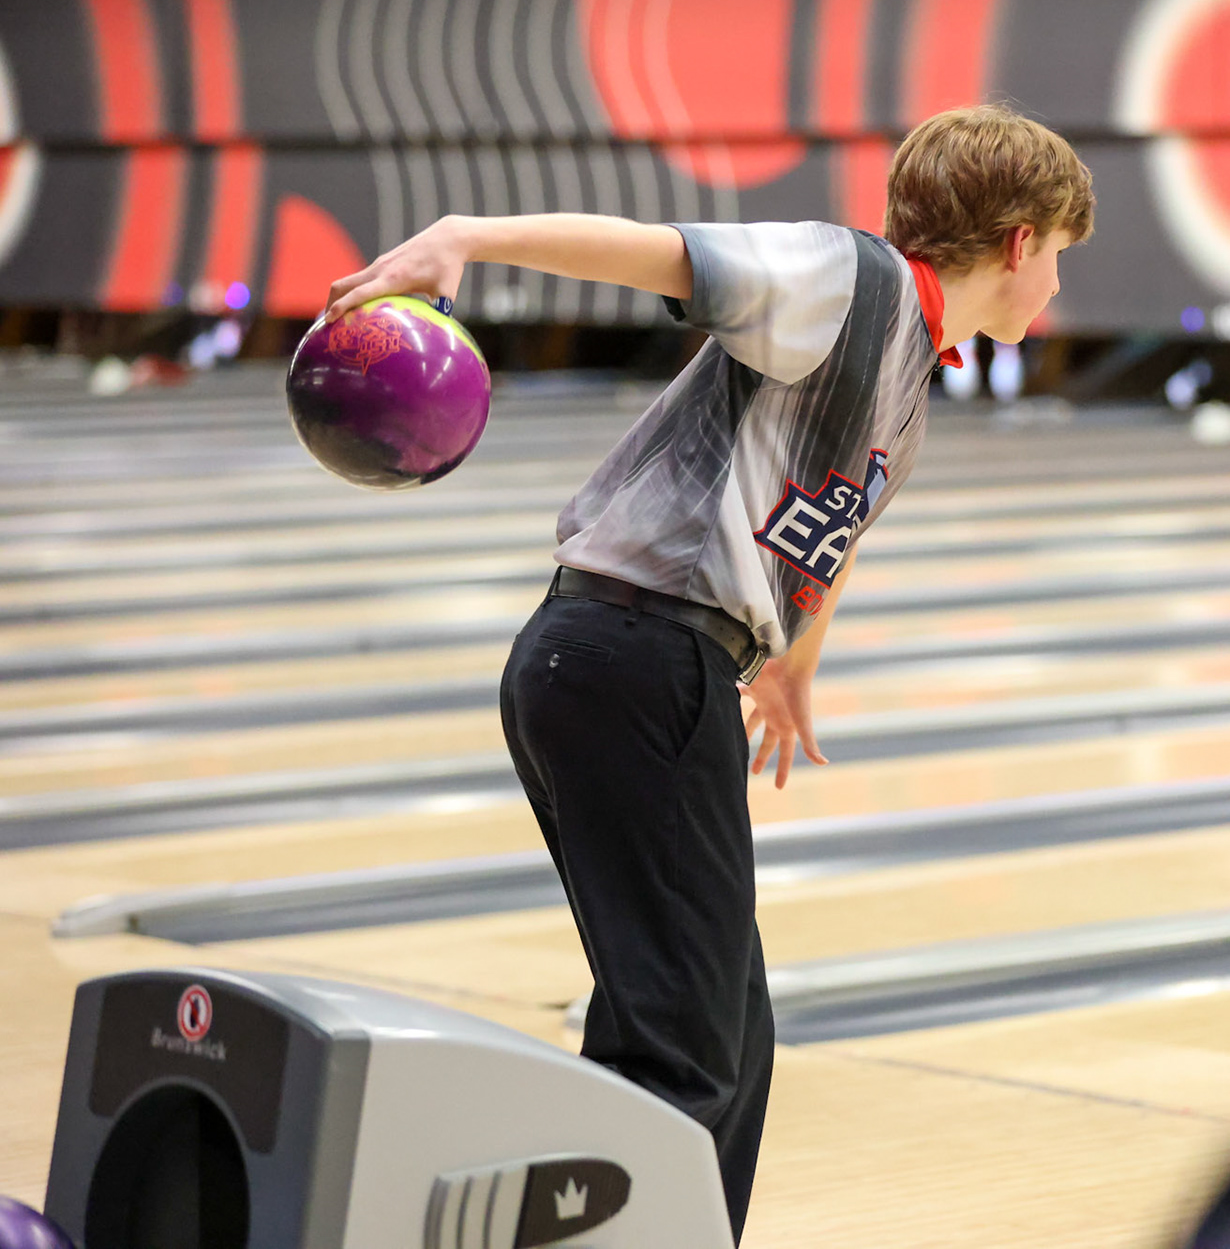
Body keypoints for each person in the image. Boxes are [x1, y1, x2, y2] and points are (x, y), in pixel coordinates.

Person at [322, 104, 1094, 1242]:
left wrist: (789, 664)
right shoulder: (847, 282)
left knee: (722, 1034)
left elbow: (824, 528)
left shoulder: (909, 372)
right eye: (1063, 263)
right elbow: (663, 251)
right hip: (639, 659)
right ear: (1021, 240)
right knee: (684, 1049)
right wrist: (466, 236)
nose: (1059, 293)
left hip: (634, 662)